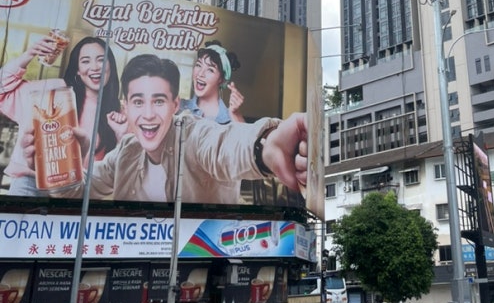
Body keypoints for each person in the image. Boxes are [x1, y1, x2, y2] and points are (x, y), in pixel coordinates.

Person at [22, 53, 308, 205]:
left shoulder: (194, 135)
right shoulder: (127, 152)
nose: (148, 115)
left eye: (158, 101)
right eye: (138, 101)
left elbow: (225, 145)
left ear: (175, 104)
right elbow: (80, 190)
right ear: (125, 106)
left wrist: (267, 145)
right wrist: (61, 165)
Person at [0, 35, 120, 196]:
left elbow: (116, 167)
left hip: (74, 191)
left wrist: (120, 134)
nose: (95, 67)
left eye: (101, 60)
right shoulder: (54, 89)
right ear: (77, 69)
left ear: (110, 65)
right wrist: (30, 53)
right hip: (31, 183)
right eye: (85, 61)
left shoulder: (118, 111)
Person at [180, 41, 244, 124]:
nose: (200, 74)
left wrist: (236, 115)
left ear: (222, 79)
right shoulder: (178, 107)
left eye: (210, 70)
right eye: (199, 65)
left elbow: (244, 131)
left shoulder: (231, 119)